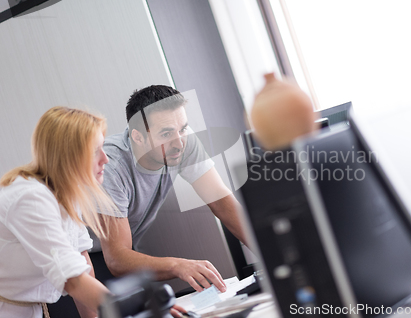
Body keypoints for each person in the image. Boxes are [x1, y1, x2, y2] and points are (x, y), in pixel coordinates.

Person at [98, 85, 248, 293]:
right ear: (138, 137)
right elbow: (116, 259)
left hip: (124, 251)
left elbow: (221, 202)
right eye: (166, 133)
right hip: (84, 255)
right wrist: (178, 265)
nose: (179, 143)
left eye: (183, 128)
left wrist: (271, 252)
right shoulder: (111, 166)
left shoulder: (181, 140)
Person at [0, 106, 116, 318]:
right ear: (67, 156)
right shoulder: (31, 198)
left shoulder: (68, 195)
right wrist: (135, 306)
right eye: (95, 151)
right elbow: (73, 280)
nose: (105, 159)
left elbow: (82, 267)